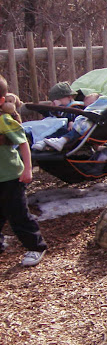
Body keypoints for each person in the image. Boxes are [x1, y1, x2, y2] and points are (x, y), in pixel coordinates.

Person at [0, 74, 47, 267]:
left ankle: (36, 247)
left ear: (1, 101)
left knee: (18, 215)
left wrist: (28, 169)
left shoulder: (4, 120)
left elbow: (23, 144)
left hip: (12, 177)